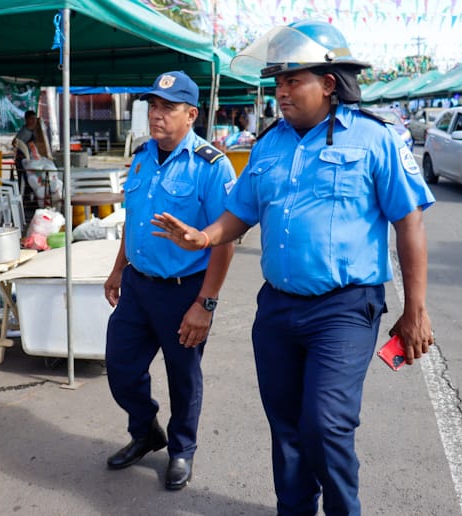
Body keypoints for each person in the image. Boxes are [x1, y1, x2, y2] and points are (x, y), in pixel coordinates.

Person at [152, 21, 435, 515]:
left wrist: (416, 310)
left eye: (292, 81)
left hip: (345, 308)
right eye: (277, 83)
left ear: (328, 83)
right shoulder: (268, 145)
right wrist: (204, 236)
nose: (280, 93)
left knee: (325, 424)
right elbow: (239, 213)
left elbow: (409, 224)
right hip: (278, 310)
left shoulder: (375, 139)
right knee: (285, 427)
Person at [103, 70, 236, 491]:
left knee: (183, 376)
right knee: (120, 367)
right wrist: (118, 267)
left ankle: (181, 449)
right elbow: (134, 221)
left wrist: (206, 303)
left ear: (191, 114)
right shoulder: (142, 157)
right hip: (138, 286)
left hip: (183, 292)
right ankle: (146, 431)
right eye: (152, 106)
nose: (156, 115)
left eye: (167, 108)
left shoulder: (210, 166)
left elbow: (224, 240)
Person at [13, 110, 40, 199]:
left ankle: (31, 197)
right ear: (26, 120)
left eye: (34, 119)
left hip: (29, 159)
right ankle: (25, 199)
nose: (33, 121)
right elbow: (14, 142)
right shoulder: (24, 132)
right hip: (21, 160)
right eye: (31, 119)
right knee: (25, 180)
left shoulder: (32, 130)